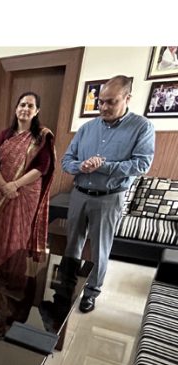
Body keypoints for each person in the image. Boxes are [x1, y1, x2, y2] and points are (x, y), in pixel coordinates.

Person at [62, 75, 155, 313]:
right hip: (80, 193)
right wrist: (80, 166)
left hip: (109, 197)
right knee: (72, 243)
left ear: (127, 98)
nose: (103, 107)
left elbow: (142, 165)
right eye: (100, 101)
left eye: (110, 102)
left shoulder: (142, 127)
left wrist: (102, 166)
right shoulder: (86, 128)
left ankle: (91, 292)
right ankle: (68, 284)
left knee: (99, 248)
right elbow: (67, 160)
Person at [0, 92, 56, 272]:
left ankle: (14, 275)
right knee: (0, 235)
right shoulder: (5, 135)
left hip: (25, 194)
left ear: (37, 110)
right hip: (3, 192)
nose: (25, 109)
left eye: (30, 106)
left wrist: (15, 185)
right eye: (22, 104)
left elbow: (42, 167)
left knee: (19, 235)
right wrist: (4, 186)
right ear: (16, 108)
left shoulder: (42, 136)